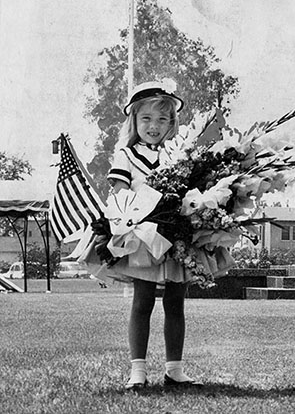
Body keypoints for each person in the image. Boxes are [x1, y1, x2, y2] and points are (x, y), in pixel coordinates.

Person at [85, 80, 232, 390]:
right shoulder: (126, 154)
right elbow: (120, 192)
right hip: (144, 236)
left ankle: (174, 369)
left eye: (162, 119)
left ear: (172, 122)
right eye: (147, 119)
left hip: (177, 234)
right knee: (142, 301)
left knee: (176, 301)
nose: (154, 126)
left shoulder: (178, 154)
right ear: (134, 120)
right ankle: (137, 370)